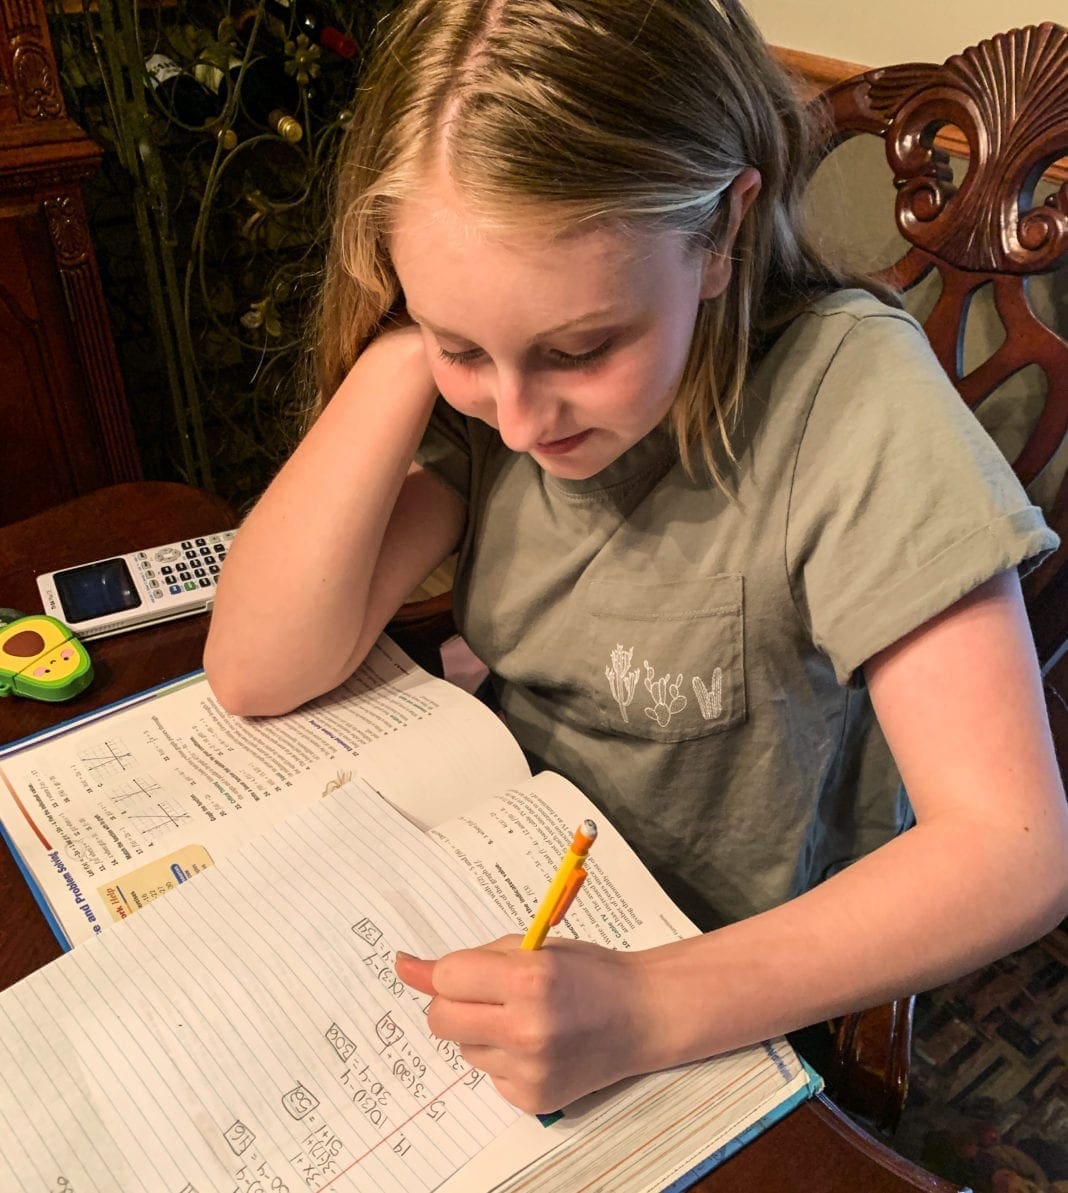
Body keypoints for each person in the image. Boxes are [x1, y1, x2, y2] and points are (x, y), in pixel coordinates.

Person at [203, 0, 1068, 1115]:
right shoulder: (504, 397)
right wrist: (408, 346)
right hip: (515, 884)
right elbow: (259, 666)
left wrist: (647, 1006)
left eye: (580, 347)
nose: (517, 422)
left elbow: (1015, 845)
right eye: (464, 347)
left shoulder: (850, 403)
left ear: (718, 237)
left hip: (718, 975)